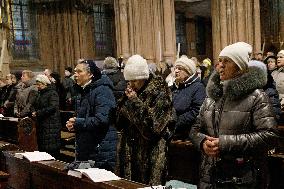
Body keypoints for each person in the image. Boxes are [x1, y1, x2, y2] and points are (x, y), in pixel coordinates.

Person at [190, 42, 278, 189]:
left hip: (241, 178)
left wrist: (225, 143)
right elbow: (195, 129)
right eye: (220, 60)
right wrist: (202, 142)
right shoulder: (211, 97)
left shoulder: (256, 97)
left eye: (227, 61)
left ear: (240, 67)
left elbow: (269, 136)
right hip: (210, 175)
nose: (221, 65)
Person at [115, 54, 176, 185]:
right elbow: (119, 123)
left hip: (150, 153)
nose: (131, 84)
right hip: (130, 151)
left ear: (144, 77)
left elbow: (153, 128)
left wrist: (135, 102)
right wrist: (124, 102)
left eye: (135, 80)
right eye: (129, 81)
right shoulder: (131, 93)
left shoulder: (160, 92)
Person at [66, 60, 116, 162]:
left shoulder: (102, 90)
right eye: (75, 72)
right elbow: (83, 116)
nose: (75, 75)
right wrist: (73, 124)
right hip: (87, 147)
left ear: (90, 74)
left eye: (79, 72)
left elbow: (102, 119)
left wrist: (78, 123)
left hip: (100, 148)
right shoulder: (83, 90)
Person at [172, 56, 206, 140]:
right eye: (175, 68)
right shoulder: (175, 87)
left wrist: (175, 122)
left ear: (188, 71)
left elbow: (197, 110)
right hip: (174, 135)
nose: (176, 71)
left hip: (187, 136)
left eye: (180, 69)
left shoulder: (198, 87)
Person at [32, 74, 61, 158]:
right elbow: (34, 104)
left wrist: (38, 113)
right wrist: (34, 111)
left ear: (45, 83)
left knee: (51, 148)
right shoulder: (40, 93)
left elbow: (53, 107)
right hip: (42, 123)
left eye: (39, 84)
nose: (37, 86)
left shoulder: (52, 93)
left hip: (51, 123)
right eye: (36, 84)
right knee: (42, 146)